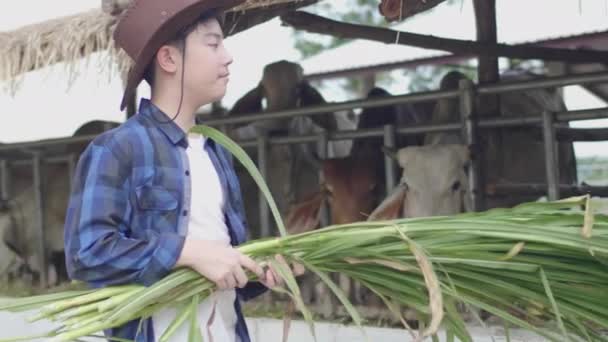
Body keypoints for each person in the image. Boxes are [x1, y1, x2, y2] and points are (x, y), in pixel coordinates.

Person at [64, 1, 299, 341]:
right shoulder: (117, 149)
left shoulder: (217, 152)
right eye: (213, 43)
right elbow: (87, 254)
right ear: (169, 59)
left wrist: (263, 271)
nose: (228, 56)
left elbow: (222, 270)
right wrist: (186, 251)